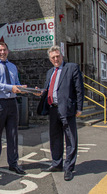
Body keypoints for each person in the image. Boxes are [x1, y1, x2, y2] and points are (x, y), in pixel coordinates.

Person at [38, 45, 84, 181]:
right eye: (53, 57)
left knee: (70, 139)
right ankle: (57, 164)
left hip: (67, 109)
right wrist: (40, 92)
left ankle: (69, 168)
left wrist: (79, 108)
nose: (56, 59)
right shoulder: (49, 72)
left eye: (57, 56)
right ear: (50, 59)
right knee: (55, 138)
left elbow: (79, 89)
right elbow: (48, 89)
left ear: (62, 55)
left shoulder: (72, 68)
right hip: (53, 109)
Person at [0, 42, 26, 175]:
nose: (2, 52)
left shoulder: (13, 66)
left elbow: (16, 84)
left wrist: (23, 89)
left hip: (12, 103)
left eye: (4, 50)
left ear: (8, 51)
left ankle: (13, 164)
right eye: (0, 50)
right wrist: (10, 88)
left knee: (13, 135)